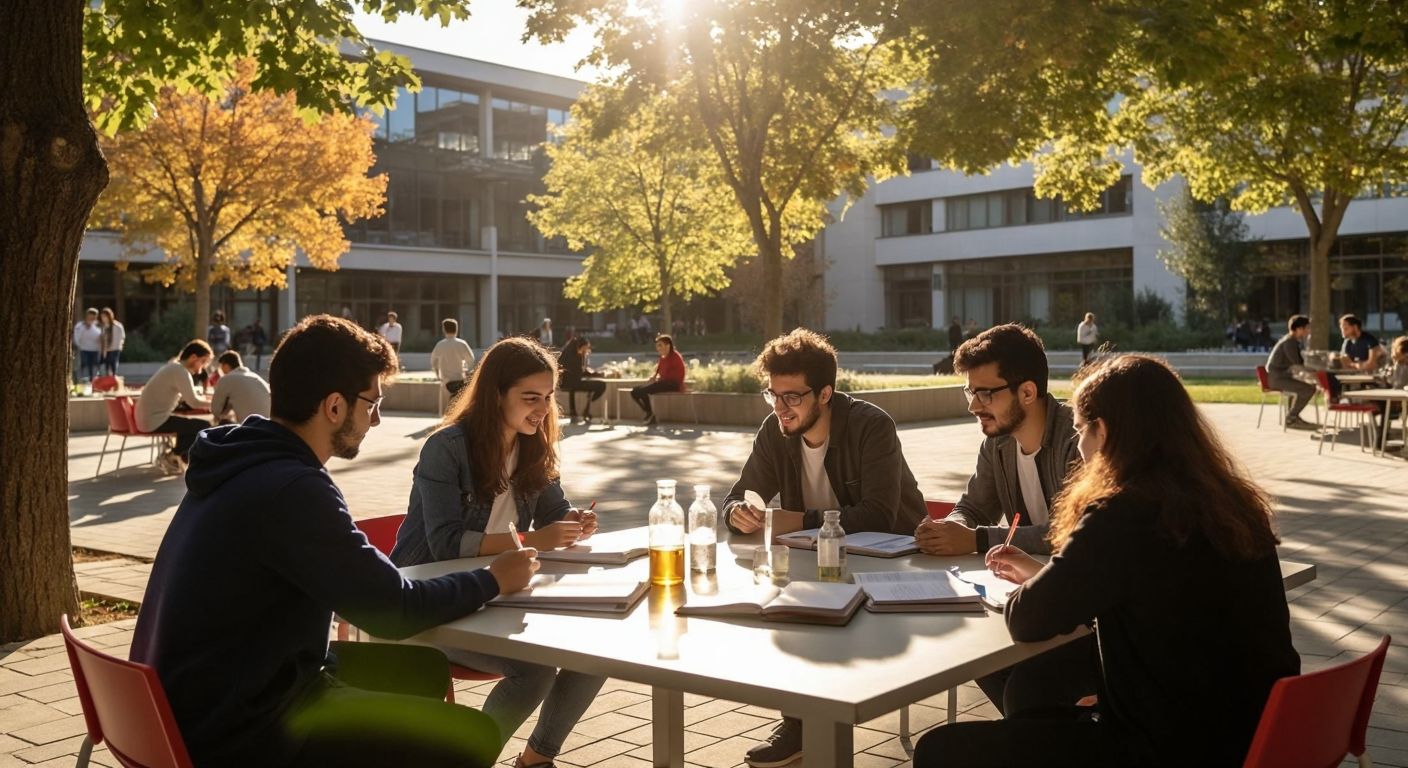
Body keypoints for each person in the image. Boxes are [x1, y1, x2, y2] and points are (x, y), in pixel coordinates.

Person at [130, 315, 539, 768]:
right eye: (372, 403)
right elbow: (390, 610)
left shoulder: (240, 462)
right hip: (245, 727)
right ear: (334, 407)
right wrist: (493, 579)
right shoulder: (292, 489)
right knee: (471, 736)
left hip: (197, 700)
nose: (377, 419)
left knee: (423, 670)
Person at [915, 354, 1297, 767]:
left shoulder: (1124, 512)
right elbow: (1148, 592)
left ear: (1105, 430)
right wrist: (1050, 573)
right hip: (1257, 735)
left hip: (1163, 747)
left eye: (1081, 430)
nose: (1079, 445)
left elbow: (1027, 619)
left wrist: (1041, 584)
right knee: (1034, 689)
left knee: (940, 749)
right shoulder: (1234, 503)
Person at [391, 337, 605, 768]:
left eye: (547, 397)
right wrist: (532, 541)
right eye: (530, 398)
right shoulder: (446, 448)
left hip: (500, 594)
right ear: (495, 395)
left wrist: (574, 521)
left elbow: (554, 511)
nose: (542, 409)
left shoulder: (533, 443)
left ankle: (535, 759)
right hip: (433, 596)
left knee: (599, 648)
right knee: (535, 669)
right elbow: (446, 544)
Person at [722, 328, 927, 768]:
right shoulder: (775, 431)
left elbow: (879, 515)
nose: (780, 407)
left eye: (792, 397)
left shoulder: (871, 426)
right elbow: (737, 495)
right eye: (773, 395)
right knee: (779, 606)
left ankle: (811, 722)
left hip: (892, 563)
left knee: (807, 609)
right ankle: (799, 724)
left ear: (825, 393)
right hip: (817, 566)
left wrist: (800, 521)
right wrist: (736, 512)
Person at [916, 324, 1094, 716]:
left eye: (985, 393)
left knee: (1023, 685)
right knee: (974, 653)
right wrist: (952, 528)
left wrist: (976, 540)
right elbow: (973, 507)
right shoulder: (996, 444)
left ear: (1027, 392)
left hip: (1078, 607)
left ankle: (1045, 735)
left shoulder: (1077, 441)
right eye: (970, 391)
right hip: (1022, 593)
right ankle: (1036, 735)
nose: (973, 405)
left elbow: (1070, 534)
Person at [136, 340, 214, 473]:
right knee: (203, 426)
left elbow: (187, 397)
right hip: (154, 420)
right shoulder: (181, 372)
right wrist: (215, 403)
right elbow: (193, 402)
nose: (202, 367)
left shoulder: (173, 367)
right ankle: (172, 456)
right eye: (203, 361)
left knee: (189, 425)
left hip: (148, 419)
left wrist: (205, 399)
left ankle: (175, 457)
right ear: (193, 357)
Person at [1265, 315, 1319, 429]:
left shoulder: (1292, 341)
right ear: (1299, 329)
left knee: (1308, 387)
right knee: (1309, 389)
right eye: (1307, 328)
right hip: (1277, 379)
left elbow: (1298, 365)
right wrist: (1316, 375)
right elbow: (1297, 365)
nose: (1309, 331)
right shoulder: (1290, 342)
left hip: (1282, 377)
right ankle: (1291, 418)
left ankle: (1293, 417)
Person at [630, 334, 685, 426]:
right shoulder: (662, 358)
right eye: (657, 346)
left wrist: (654, 383)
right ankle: (649, 413)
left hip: (673, 385)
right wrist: (646, 384)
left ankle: (650, 415)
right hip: (662, 383)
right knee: (635, 392)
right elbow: (655, 375)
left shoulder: (675, 356)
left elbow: (675, 377)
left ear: (668, 345)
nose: (658, 348)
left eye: (660, 345)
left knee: (643, 392)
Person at [210, 350, 271, 424]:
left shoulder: (226, 379)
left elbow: (216, 411)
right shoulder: (255, 377)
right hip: (269, 424)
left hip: (251, 428)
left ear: (225, 365)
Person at [558, 335, 605, 424]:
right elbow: (579, 371)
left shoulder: (571, 352)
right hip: (572, 383)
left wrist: (594, 373)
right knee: (601, 385)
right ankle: (587, 411)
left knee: (594, 388)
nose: (587, 350)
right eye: (586, 348)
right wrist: (595, 373)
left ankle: (583, 411)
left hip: (568, 383)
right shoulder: (574, 356)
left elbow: (579, 371)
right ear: (581, 346)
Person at [430, 318, 476, 399]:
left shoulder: (440, 345)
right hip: (460, 380)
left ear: (444, 330)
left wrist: (437, 374)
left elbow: (433, 361)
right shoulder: (462, 344)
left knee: (445, 408)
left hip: (445, 381)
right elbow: (471, 360)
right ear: (456, 329)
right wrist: (467, 372)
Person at [72, 307, 102, 383]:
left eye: (93, 316)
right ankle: (81, 382)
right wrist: (79, 346)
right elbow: (76, 337)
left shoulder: (97, 327)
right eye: (90, 316)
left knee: (94, 368)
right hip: (83, 350)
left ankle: (93, 382)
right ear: (87, 315)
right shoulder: (80, 326)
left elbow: (100, 338)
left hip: (95, 350)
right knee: (83, 367)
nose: (91, 318)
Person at [98, 307, 125, 376]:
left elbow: (122, 337)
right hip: (107, 349)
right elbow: (104, 339)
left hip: (115, 348)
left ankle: (114, 378)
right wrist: (104, 350)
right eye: (102, 317)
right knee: (107, 365)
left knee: (113, 363)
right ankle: (108, 380)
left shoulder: (118, 326)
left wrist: (120, 345)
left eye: (104, 317)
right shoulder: (104, 327)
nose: (103, 318)